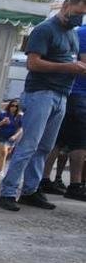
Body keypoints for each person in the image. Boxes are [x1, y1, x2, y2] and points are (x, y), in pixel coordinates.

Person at [0, 0, 86, 212]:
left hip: (61, 95)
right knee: (29, 145)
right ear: (66, 5)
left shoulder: (72, 34)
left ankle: (30, 190)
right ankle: (8, 191)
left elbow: (70, 59)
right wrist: (68, 68)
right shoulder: (45, 30)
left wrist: (74, 68)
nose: (79, 17)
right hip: (41, 93)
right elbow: (33, 64)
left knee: (45, 147)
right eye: (77, 12)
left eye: (83, 14)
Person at [61, 24, 86, 201]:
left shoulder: (77, 32)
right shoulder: (83, 34)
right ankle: (75, 185)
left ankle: (46, 180)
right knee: (79, 142)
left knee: (60, 141)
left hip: (74, 94)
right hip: (79, 95)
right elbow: (83, 65)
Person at [0, 100, 22, 175]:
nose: (14, 107)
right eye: (12, 105)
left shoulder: (19, 117)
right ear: (9, 106)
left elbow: (20, 128)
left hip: (11, 138)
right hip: (1, 136)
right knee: (4, 152)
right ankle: (1, 170)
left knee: (2, 153)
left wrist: (15, 136)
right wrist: (2, 122)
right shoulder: (3, 114)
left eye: (16, 106)